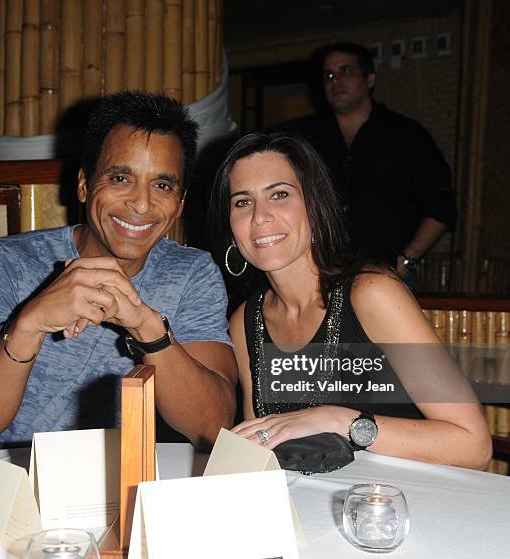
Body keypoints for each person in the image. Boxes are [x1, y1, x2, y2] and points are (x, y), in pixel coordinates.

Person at [0, 91, 237, 452]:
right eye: (120, 179)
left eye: (162, 185)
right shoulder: (3, 263)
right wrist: (29, 324)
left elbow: (213, 426)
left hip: (131, 486)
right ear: (83, 184)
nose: (141, 204)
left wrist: (146, 327)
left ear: (180, 202)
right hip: (14, 487)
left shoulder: (192, 272)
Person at [208, 131, 491, 470]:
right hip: (308, 508)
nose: (259, 217)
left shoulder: (373, 294)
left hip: (403, 507)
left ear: (314, 207)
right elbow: (261, 446)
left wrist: (338, 420)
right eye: (242, 202)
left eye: (279, 195)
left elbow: (473, 445)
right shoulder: (245, 322)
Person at [305, 42, 456, 284]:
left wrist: (408, 259)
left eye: (346, 71)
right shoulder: (309, 138)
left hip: (389, 274)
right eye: (329, 75)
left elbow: (441, 205)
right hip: (323, 275)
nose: (336, 80)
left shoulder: (406, 135)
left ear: (370, 80)